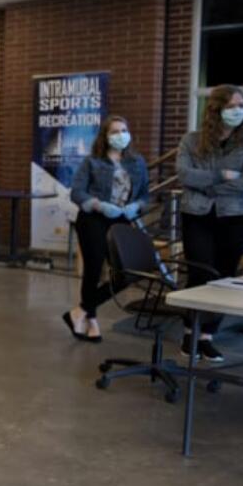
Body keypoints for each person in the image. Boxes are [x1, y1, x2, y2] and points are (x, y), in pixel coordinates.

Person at [175, 84, 243, 362]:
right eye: (231, 106)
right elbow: (183, 174)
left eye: (241, 105)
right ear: (216, 110)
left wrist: (211, 185)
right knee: (199, 272)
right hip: (197, 215)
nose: (237, 111)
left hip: (236, 217)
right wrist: (220, 175)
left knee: (223, 278)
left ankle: (207, 336)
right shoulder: (192, 140)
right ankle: (191, 331)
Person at [64, 116, 149, 343]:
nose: (121, 135)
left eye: (124, 130)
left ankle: (80, 311)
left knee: (125, 274)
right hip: (94, 219)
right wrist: (98, 204)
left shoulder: (137, 162)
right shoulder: (92, 162)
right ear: (105, 136)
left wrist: (137, 206)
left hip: (121, 220)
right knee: (93, 270)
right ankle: (90, 320)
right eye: (115, 131)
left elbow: (145, 195)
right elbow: (76, 193)